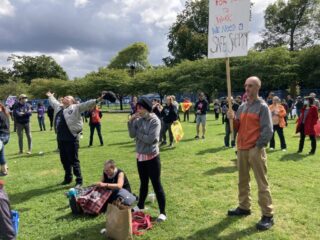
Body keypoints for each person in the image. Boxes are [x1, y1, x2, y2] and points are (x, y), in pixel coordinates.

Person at [227, 76, 274, 231]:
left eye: (251, 86)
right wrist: (232, 119)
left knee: (262, 183)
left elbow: (268, 130)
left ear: (258, 88)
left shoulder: (262, 107)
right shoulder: (242, 107)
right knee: (242, 180)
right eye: (246, 85)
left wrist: (258, 146)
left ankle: (268, 215)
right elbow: (237, 127)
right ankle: (244, 207)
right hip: (241, 149)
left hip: (255, 149)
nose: (247, 88)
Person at [47, 91, 105, 187]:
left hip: (71, 138)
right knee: (64, 160)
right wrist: (50, 96)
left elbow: (87, 104)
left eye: (68, 97)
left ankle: (79, 180)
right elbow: (54, 102)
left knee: (73, 160)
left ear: (72, 101)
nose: (65, 97)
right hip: (60, 138)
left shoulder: (76, 107)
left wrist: (98, 100)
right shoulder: (59, 107)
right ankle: (68, 178)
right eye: (65, 97)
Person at [127, 97, 167, 222]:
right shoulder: (138, 120)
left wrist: (139, 133)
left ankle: (163, 212)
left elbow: (151, 139)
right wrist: (130, 122)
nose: (138, 110)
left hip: (152, 157)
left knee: (156, 184)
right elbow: (132, 134)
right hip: (140, 156)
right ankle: (140, 205)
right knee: (143, 183)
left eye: (141, 108)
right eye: (137, 108)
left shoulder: (155, 120)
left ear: (147, 108)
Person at [0, 103, 10, 176]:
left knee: (1, 154)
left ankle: (4, 171)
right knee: (1, 153)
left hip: (2, 136)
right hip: (6, 135)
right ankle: (5, 167)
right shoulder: (4, 113)